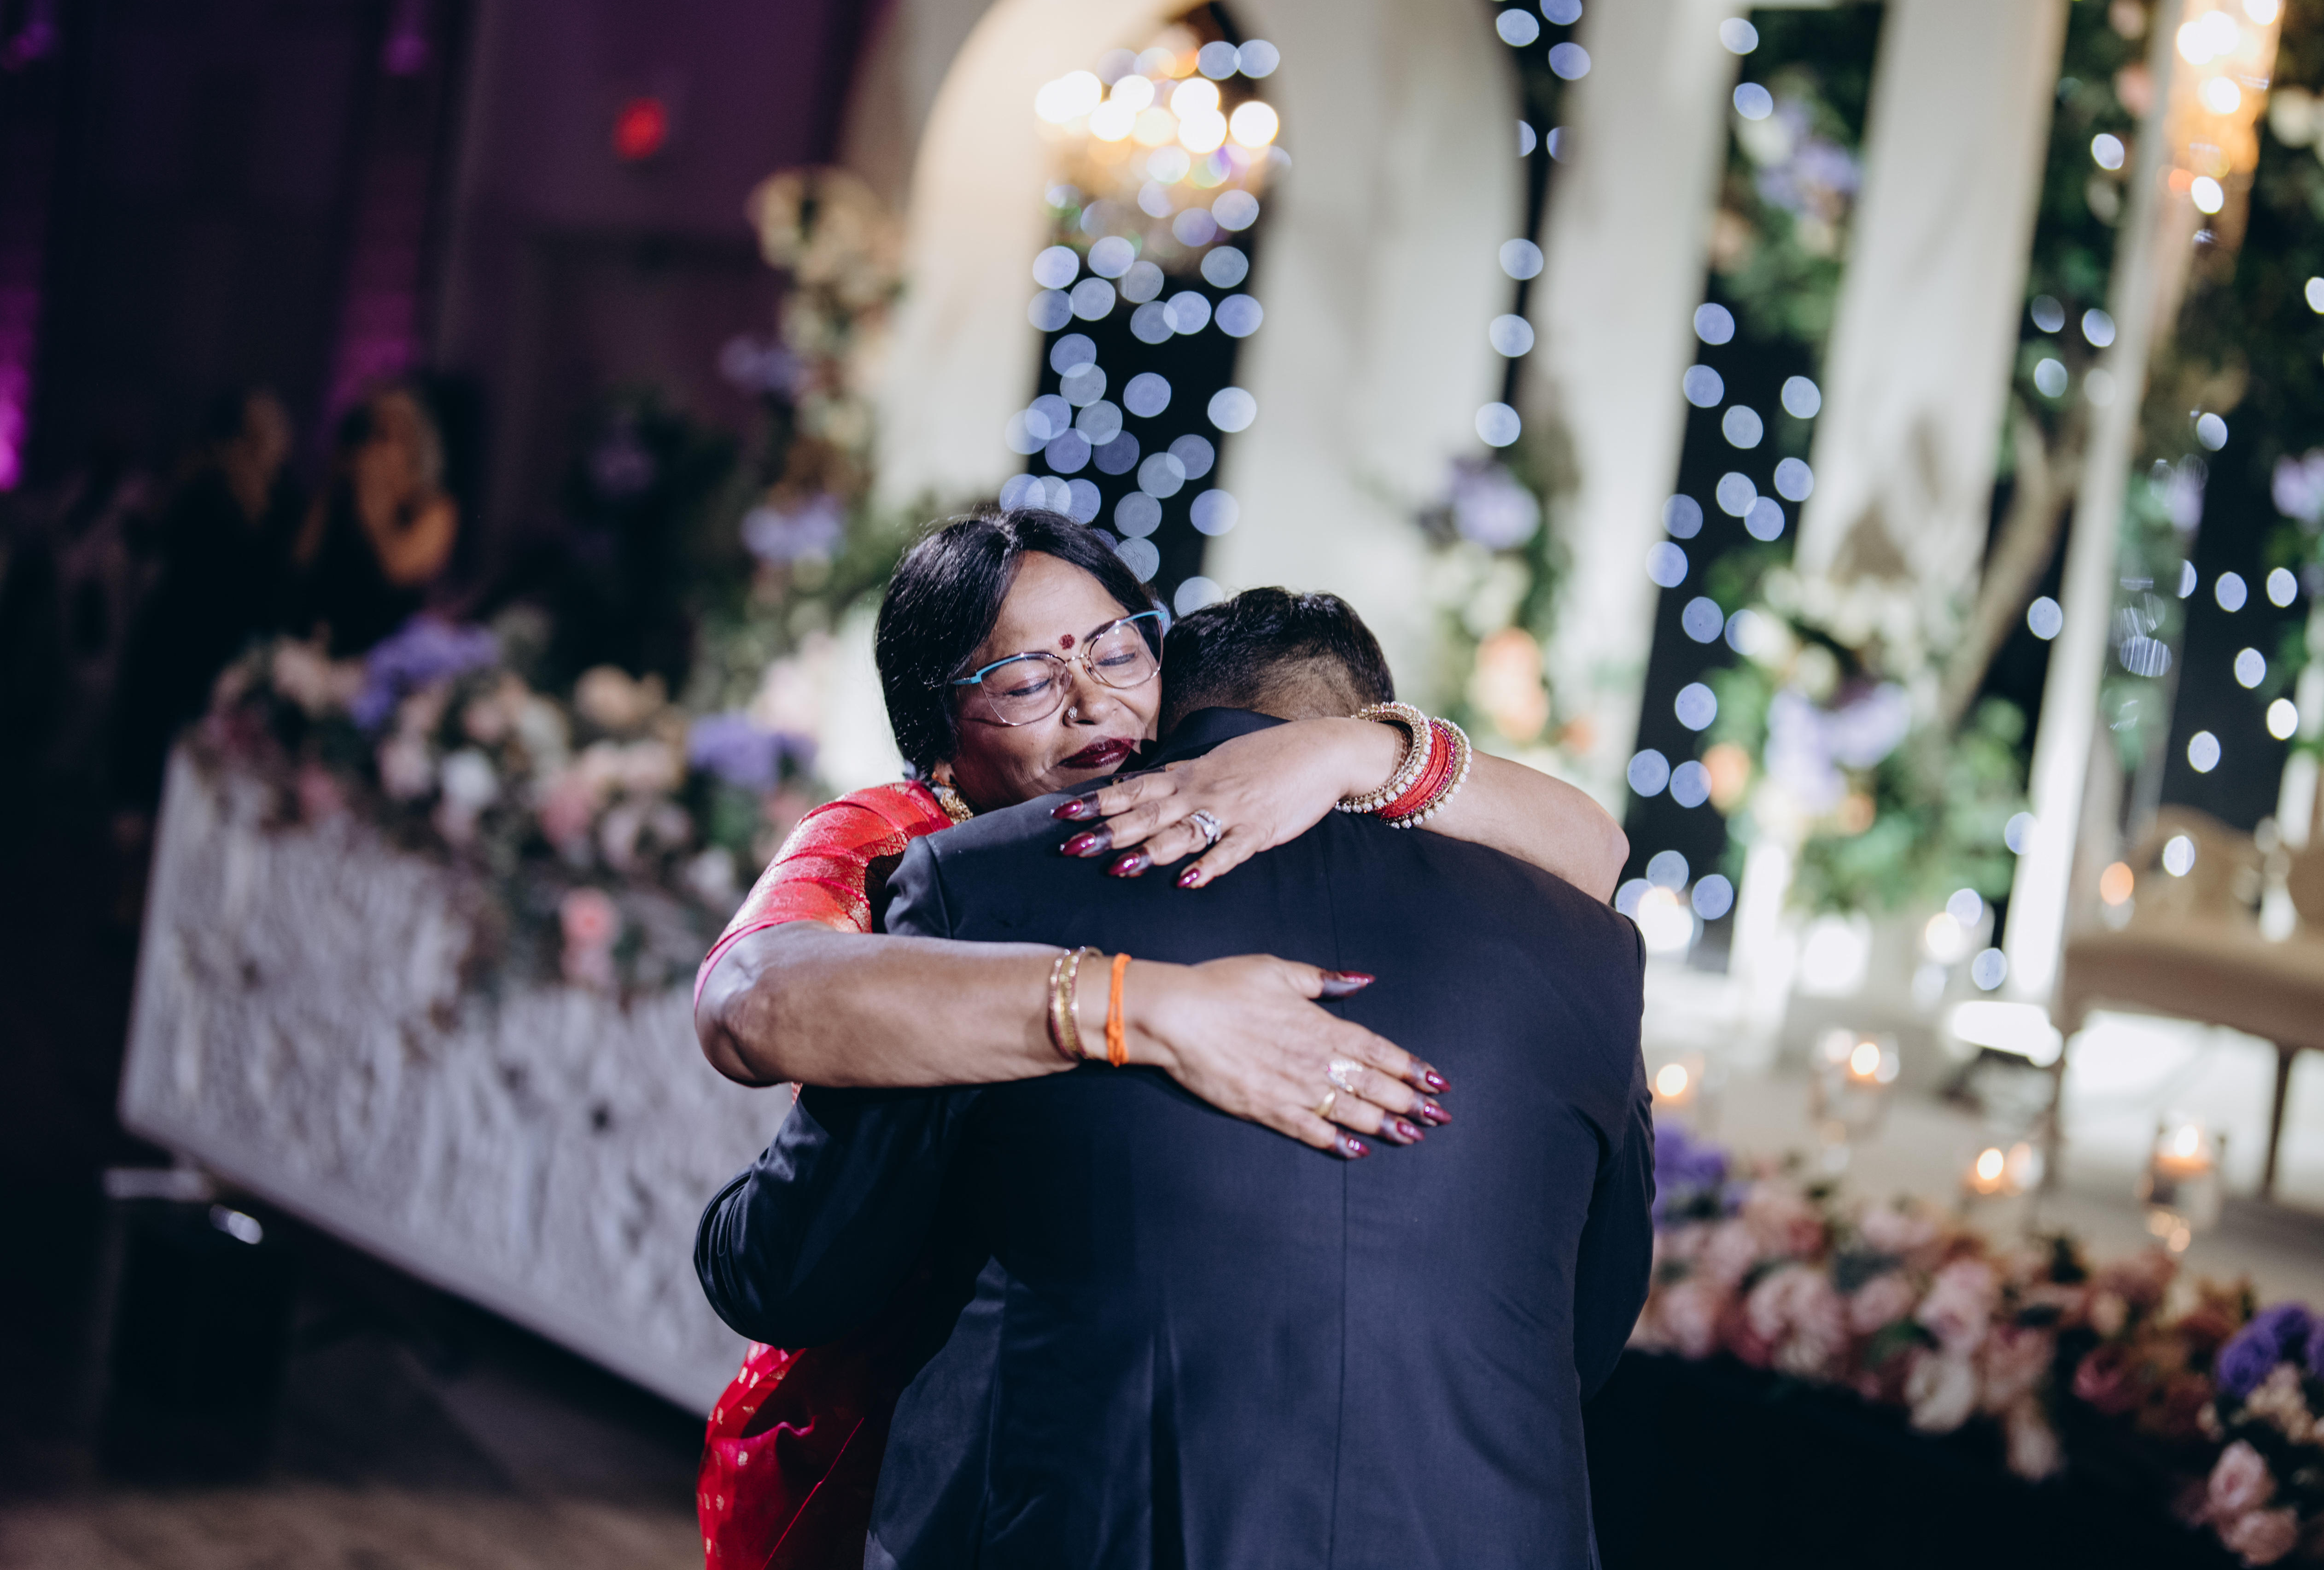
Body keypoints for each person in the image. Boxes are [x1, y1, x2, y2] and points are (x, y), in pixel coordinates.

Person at [689, 511, 1629, 1568]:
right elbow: (749, 999)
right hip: (890, 1407)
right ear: (935, 731)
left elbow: (1600, 845)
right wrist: (1153, 1006)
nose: (1093, 701)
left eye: (1118, 652)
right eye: (1026, 680)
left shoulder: (1198, 822)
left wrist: (1348, 749)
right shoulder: (915, 848)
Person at [110, 387, 300, 811]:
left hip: (186, 632)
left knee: (159, 760)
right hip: (219, 640)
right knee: (185, 763)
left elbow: (143, 534)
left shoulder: (211, 480)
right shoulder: (270, 498)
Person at [291, 382, 459, 654]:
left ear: (414, 447)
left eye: (385, 436)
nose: (372, 448)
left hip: (388, 655)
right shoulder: (341, 495)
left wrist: (375, 506)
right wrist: (330, 484)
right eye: (367, 435)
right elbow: (300, 560)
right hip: (318, 645)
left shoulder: (434, 508)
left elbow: (397, 571)